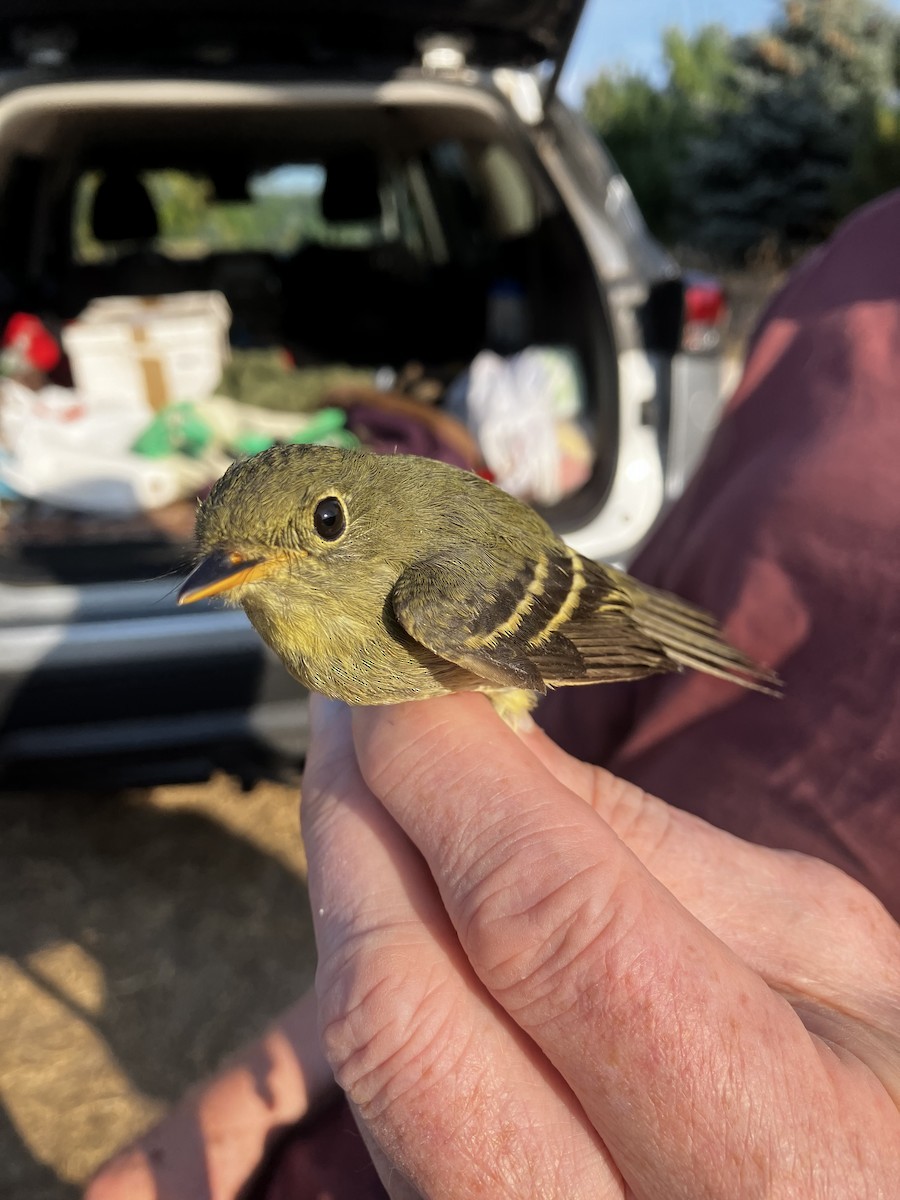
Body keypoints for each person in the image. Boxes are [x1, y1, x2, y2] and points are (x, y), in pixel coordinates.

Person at [87, 191, 900, 1199]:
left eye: (321, 526)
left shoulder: (438, 593)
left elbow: (578, 615)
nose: (258, 569)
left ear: (349, 511)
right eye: (235, 561)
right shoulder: (293, 605)